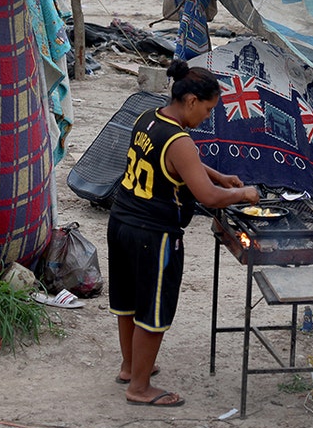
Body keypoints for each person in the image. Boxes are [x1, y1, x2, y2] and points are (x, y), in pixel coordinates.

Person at [107, 60, 260, 408]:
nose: (207, 117)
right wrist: (243, 193)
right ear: (190, 101)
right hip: (154, 234)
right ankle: (140, 388)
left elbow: (178, 160)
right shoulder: (181, 140)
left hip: (121, 223)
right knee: (153, 311)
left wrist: (217, 175)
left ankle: (130, 368)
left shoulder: (147, 116)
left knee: (129, 302)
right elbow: (206, 196)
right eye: (207, 109)